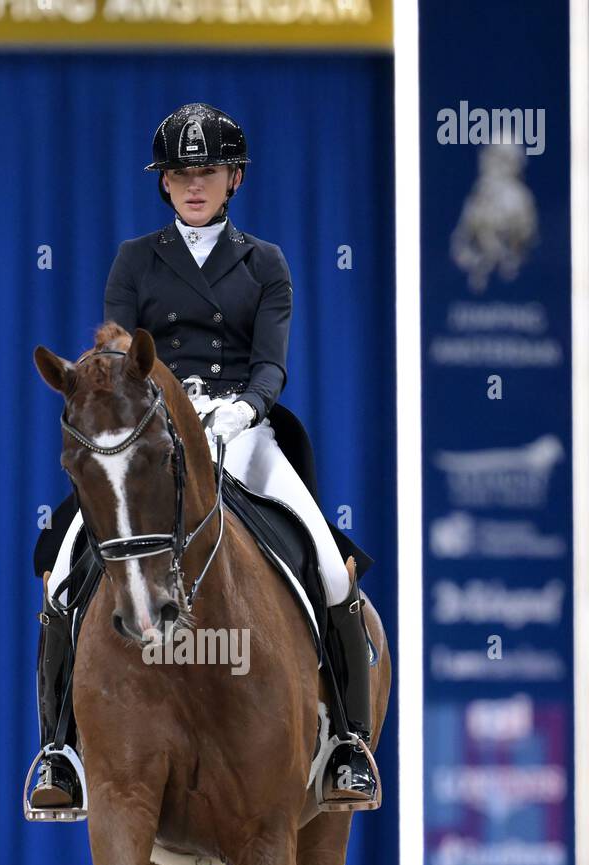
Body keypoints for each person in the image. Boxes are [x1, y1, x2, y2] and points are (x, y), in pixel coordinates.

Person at [27, 102, 380, 818]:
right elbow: (115, 356)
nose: (194, 185)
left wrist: (245, 408)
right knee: (63, 569)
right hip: (156, 430)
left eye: (208, 172)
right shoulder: (135, 258)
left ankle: (344, 739)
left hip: (241, 426)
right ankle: (59, 748)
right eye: (181, 174)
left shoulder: (265, 264)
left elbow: (270, 364)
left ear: (234, 178)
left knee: (323, 559)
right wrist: (164, 410)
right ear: (164, 183)